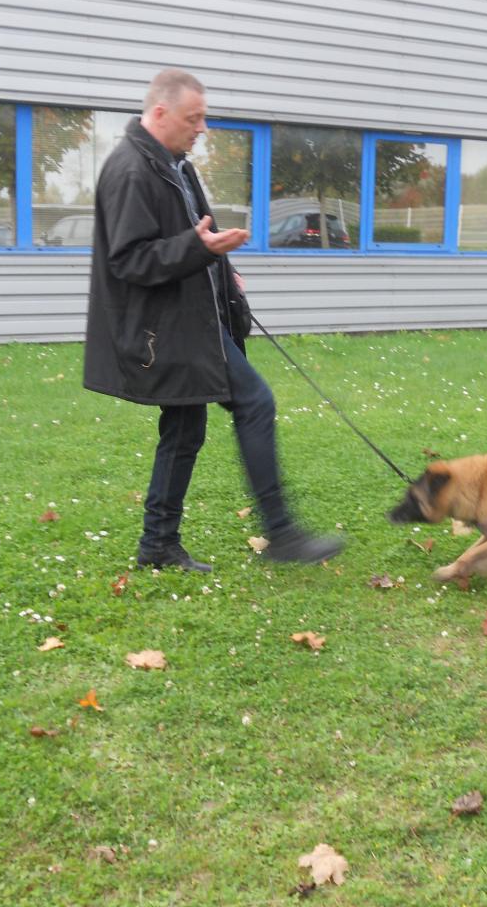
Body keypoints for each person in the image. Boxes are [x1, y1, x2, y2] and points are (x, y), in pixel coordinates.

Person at [83, 68, 343, 572]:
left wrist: (224, 270)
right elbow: (129, 260)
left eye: (203, 118)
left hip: (192, 320)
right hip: (169, 329)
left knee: (185, 426)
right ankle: (282, 533)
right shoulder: (131, 169)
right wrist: (199, 248)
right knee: (254, 401)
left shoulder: (172, 164)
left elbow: (190, 240)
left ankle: (157, 545)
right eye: (193, 118)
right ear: (160, 113)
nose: (201, 128)